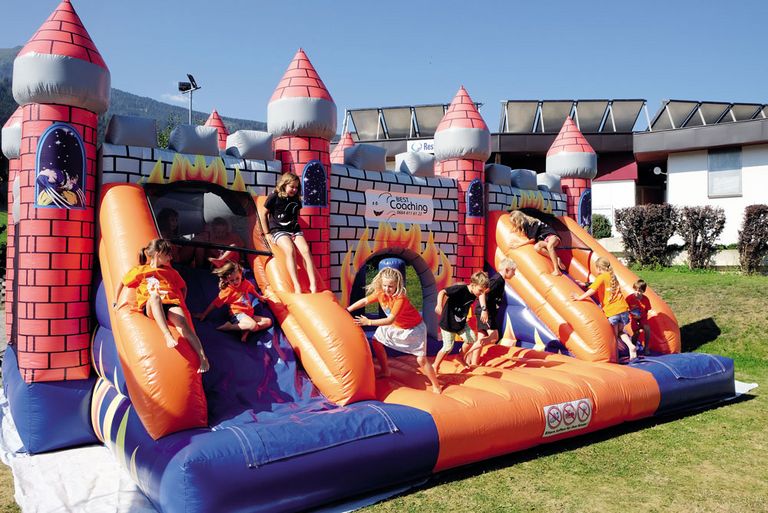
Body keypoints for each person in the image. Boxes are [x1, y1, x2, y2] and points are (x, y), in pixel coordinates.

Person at [114, 239, 209, 373]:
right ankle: (167, 334)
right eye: (168, 254)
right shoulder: (140, 270)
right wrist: (115, 300)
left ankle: (203, 358)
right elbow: (122, 282)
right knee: (155, 297)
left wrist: (181, 303)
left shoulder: (172, 272)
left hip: (170, 302)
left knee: (183, 324)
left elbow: (183, 288)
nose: (171, 257)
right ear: (158, 254)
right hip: (151, 305)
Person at [346, 267, 441, 393]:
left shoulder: (400, 299)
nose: (387, 289)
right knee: (376, 340)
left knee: (421, 360)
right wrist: (348, 310)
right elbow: (364, 301)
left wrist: (369, 322)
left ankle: (436, 385)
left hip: (413, 329)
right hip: (397, 326)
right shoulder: (381, 293)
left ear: (397, 285)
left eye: (391, 286)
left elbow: (389, 320)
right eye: (385, 285)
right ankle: (385, 370)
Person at [259, 172, 318, 293]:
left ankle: (313, 285)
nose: (294, 189)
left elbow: (295, 214)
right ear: (284, 185)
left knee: (306, 250)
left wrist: (294, 231)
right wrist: (267, 233)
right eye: (292, 186)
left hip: (294, 229)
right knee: (290, 250)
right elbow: (263, 214)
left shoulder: (296, 199)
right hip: (278, 229)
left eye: (297, 187)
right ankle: (297, 286)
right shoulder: (274, 196)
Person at [571, 257, 636, 360]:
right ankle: (631, 346)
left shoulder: (601, 277)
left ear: (599, 268)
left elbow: (593, 290)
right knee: (620, 332)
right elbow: (599, 285)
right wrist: (585, 284)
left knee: (613, 336)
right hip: (623, 310)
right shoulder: (613, 277)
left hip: (612, 311)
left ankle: (616, 358)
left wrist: (579, 297)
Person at [195, 261, 272, 342]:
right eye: (232, 280)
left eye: (237, 278)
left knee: (268, 322)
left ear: (241, 274)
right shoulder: (227, 291)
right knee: (253, 326)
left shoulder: (245, 283)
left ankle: (246, 330)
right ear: (226, 279)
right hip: (238, 315)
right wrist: (204, 314)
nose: (235, 282)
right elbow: (215, 303)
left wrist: (259, 297)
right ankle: (230, 326)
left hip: (249, 313)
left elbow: (251, 289)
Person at [433, 271, 490, 373]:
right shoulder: (460, 289)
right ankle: (435, 365)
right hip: (448, 323)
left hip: (461, 323)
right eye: (480, 290)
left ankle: (460, 357)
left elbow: (481, 296)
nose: (481, 294)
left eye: (483, 291)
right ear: (473, 285)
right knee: (447, 347)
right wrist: (439, 305)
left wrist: (484, 310)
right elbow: (442, 292)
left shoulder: (475, 292)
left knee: (472, 338)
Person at [466, 259, 517, 366]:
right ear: (507, 269)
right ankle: (468, 353)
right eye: (513, 270)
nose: (514, 273)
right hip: (485, 312)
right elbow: (482, 293)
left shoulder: (499, 280)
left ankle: (473, 364)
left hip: (485, 311)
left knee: (482, 336)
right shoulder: (497, 280)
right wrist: (484, 310)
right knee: (494, 336)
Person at [508, 210, 566, 276]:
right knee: (537, 247)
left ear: (518, 219)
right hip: (545, 240)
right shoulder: (526, 225)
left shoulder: (529, 223)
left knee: (550, 246)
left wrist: (519, 244)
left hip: (552, 236)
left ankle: (557, 270)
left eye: (514, 222)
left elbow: (532, 239)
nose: (515, 224)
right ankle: (556, 258)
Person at [626, 279, 652, 354]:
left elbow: (647, 310)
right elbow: (626, 309)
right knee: (636, 332)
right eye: (635, 290)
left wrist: (641, 318)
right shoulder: (629, 298)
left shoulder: (645, 299)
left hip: (643, 318)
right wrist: (632, 316)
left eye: (639, 291)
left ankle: (646, 348)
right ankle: (633, 347)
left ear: (643, 291)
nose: (637, 292)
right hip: (633, 318)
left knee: (647, 329)